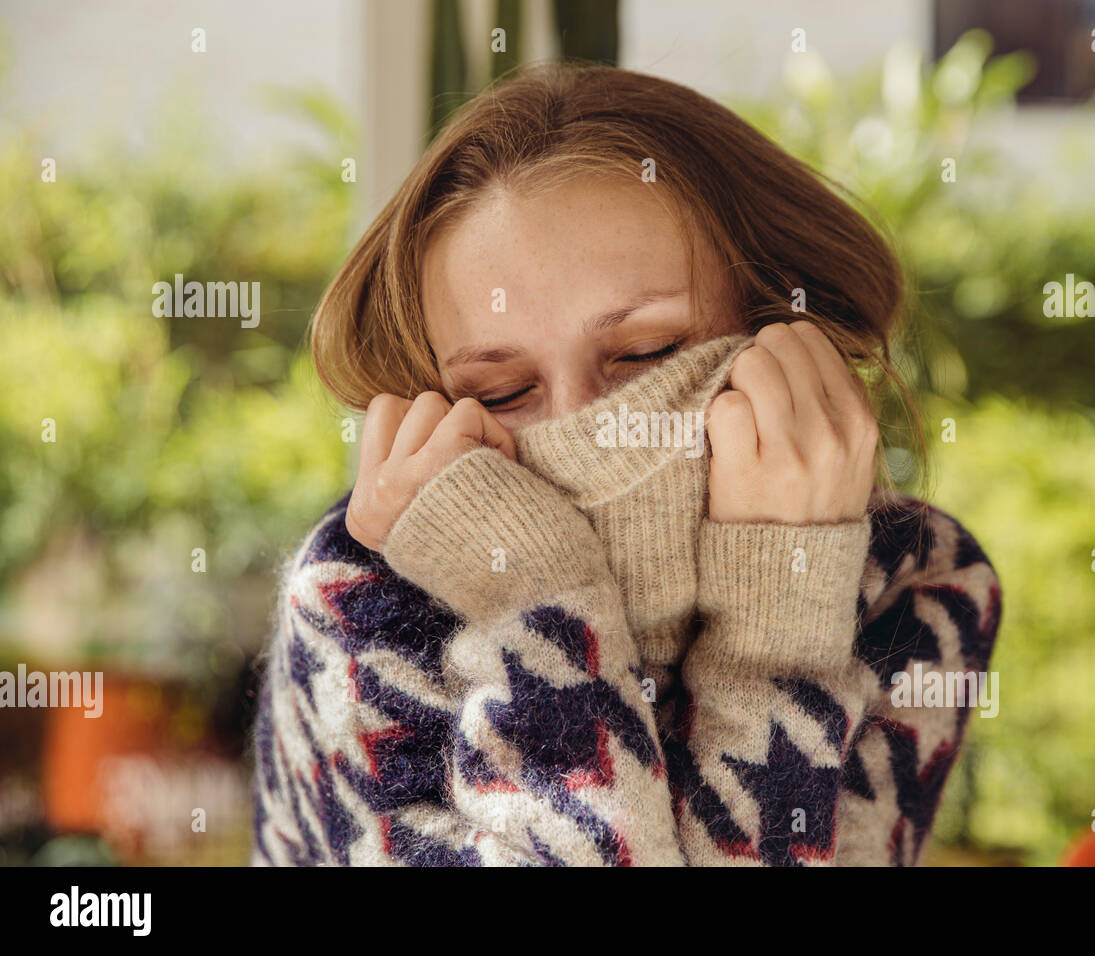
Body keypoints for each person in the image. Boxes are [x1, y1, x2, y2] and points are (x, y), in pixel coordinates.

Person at [251, 61, 1001, 866]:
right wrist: (533, 601)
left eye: (646, 351)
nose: (584, 424)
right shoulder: (359, 602)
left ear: (774, 327)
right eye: (503, 390)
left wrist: (780, 619)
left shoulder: (919, 584)